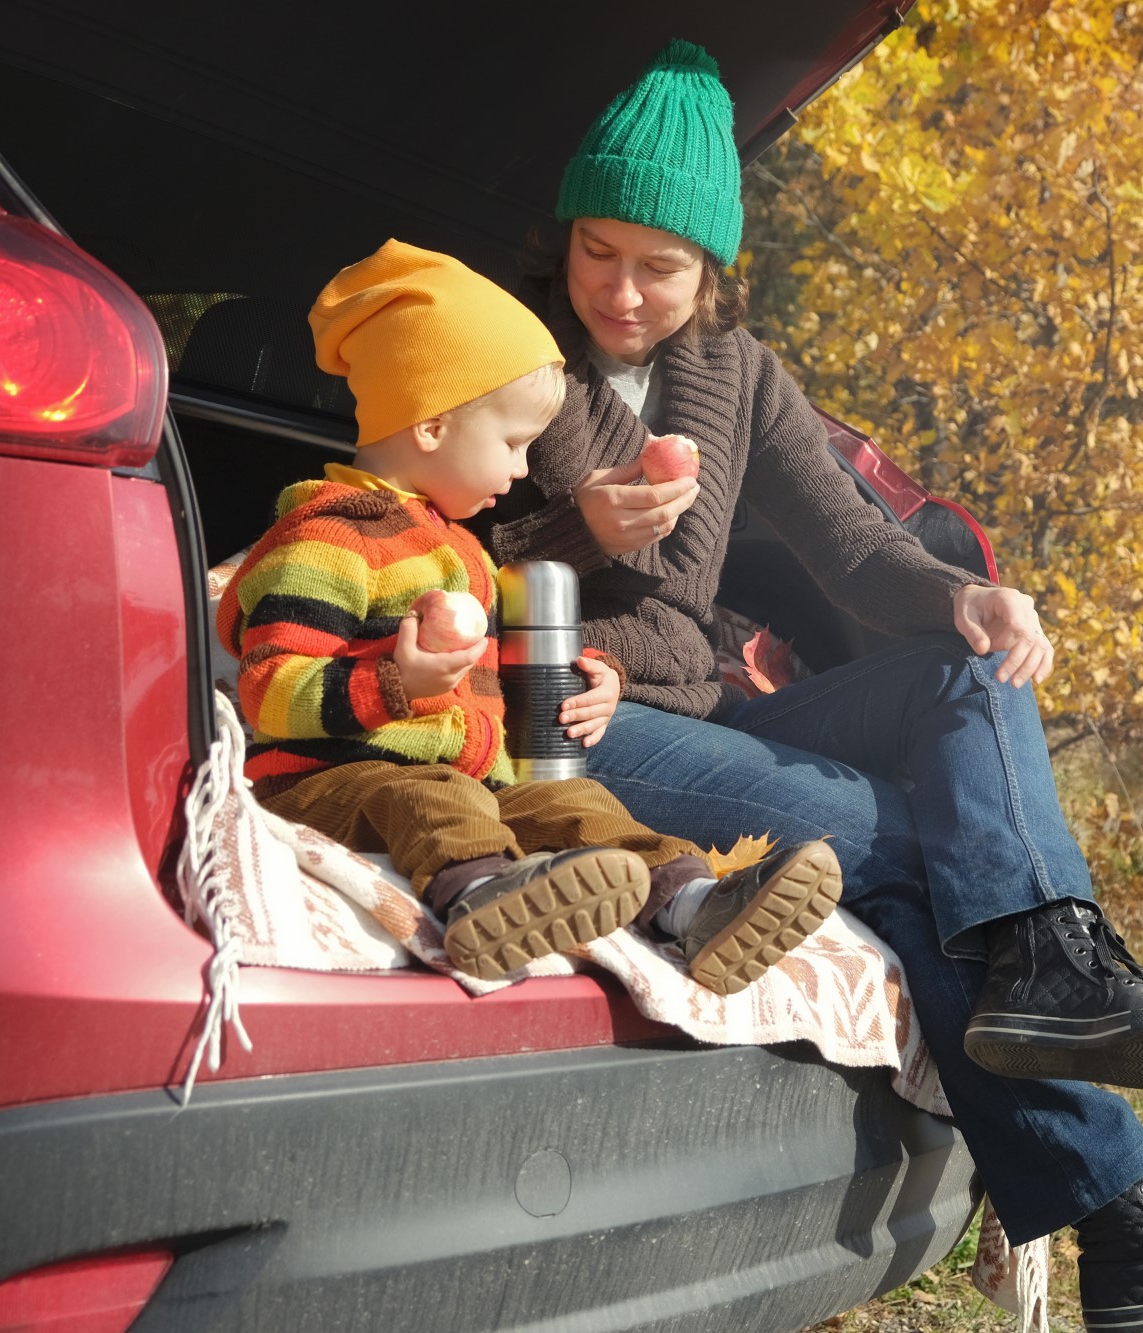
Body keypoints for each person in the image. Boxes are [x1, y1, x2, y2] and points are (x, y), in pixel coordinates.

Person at [479, 42, 1143, 1331]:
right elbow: (429, 539)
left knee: (965, 669)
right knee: (919, 852)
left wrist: (963, 596)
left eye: (659, 266)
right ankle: (1129, 1218)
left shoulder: (736, 376)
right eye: (599, 250)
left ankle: (1055, 970)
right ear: (565, 235)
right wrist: (577, 540)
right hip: (594, 724)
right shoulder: (516, 358)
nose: (621, 290)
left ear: (710, 268)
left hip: (714, 712)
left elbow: (849, 543)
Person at [217, 239, 842, 992]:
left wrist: (596, 671)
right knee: (427, 794)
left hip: (475, 775)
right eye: (513, 443)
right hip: (332, 779)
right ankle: (484, 899)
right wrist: (395, 680)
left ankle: (692, 903)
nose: (521, 469)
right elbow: (270, 688)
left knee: (573, 799)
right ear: (432, 426)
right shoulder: (327, 537)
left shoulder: (464, 554)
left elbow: (501, 670)